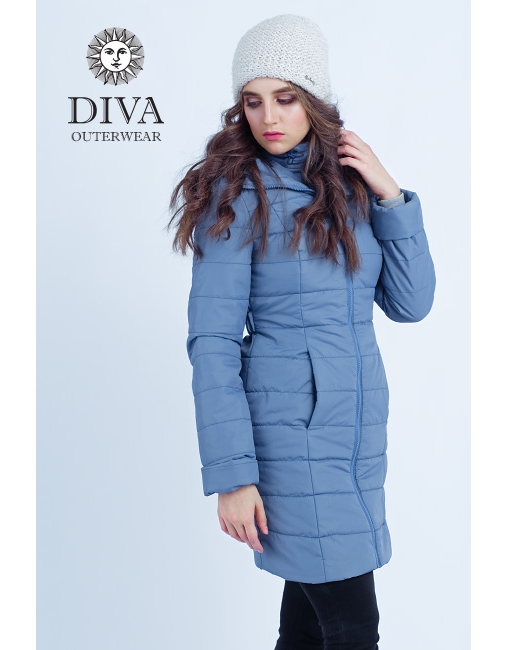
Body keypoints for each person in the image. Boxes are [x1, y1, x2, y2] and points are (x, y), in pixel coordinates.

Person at [167, 14, 435, 650]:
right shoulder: (236, 196)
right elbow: (212, 343)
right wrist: (232, 476)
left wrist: (390, 196)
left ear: (314, 99)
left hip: (357, 435)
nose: (269, 117)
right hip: (290, 439)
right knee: (353, 627)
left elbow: (411, 303)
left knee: (309, 627)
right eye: (253, 101)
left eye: (285, 98)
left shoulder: (348, 189)